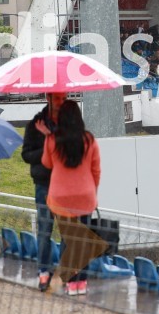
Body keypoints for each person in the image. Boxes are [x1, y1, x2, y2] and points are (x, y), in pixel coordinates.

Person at [39, 100, 101, 296]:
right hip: (85, 197)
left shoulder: (53, 139)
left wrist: (48, 137)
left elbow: (46, 163)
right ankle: (80, 283)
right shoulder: (89, 140)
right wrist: (93, 192)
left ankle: (69, 280)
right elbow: (96, 170)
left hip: (61, 199)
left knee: (69, 239)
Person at [22, 92, 66, 291]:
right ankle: (43, 272)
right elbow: (26, 155)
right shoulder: (35, 124)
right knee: (45, 230)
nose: (62, 102)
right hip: (44, 185)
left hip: (67, 184)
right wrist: (48, 149)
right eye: (58, 98)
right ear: (48, 98)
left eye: (64, 98)